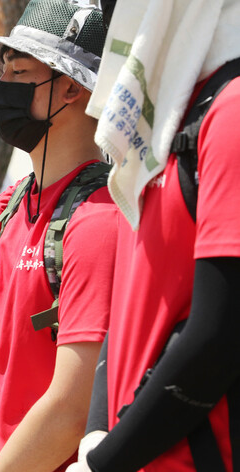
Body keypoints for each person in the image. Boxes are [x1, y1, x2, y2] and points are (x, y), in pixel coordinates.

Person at [66, 0, 240, 470]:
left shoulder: (231, 111)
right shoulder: (156, 127)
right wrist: (96, 434)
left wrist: (105, 461)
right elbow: (126, 309)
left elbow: (220, 335)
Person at [0, 1, 118, 470]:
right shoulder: (7, 206)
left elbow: (72, 406)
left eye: (18, 70)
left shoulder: (98, 217)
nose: (1, 86)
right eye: (1, 70)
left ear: (69, 87)